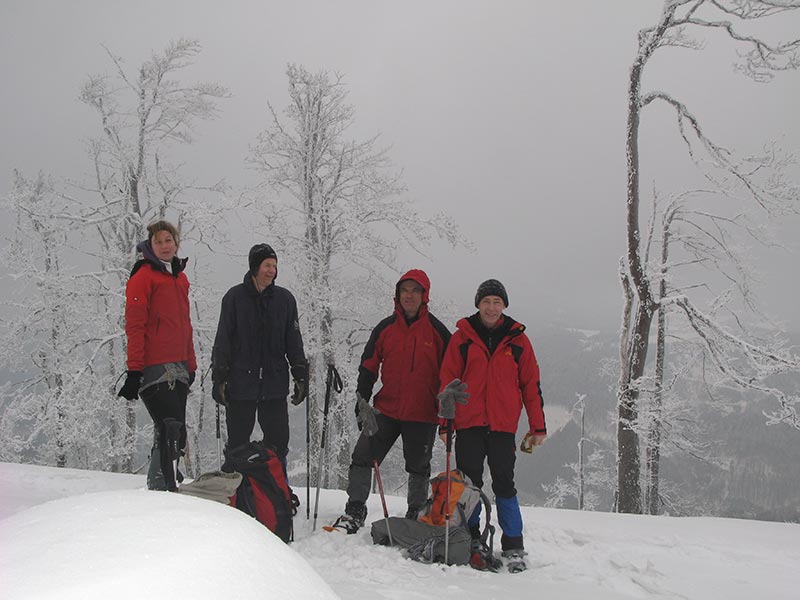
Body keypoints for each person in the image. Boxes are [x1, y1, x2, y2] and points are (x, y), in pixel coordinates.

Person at [329, 269, 451, 534]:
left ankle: (415, 514)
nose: (409, 295)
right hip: (386, 409)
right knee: (362, 457)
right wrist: (362, 401)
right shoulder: (385, 329)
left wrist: (446, 414)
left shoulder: (439, 333)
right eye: (404, 290)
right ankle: (355, 511)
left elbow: (451, 376)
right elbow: (368, 367)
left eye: (415, 290)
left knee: (418, 467)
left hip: (422, 414)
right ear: (397, 295)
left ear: (424, 296)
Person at [438, 279, 547, 573]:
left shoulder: (518, 340)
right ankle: (472, 538)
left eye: (496, 302)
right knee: (469, 485)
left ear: (504, 306)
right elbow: (447, 384)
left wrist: (538, 426)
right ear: (478, 304)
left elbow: (530, 384)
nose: (491, 307)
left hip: (501, 427)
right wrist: (444, 424)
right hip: (469, 424)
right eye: (486, 302)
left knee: (504, 485)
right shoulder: (462, 338)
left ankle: (513, 544)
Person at [117, 220, 197, 492]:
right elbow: (135, 326)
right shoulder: (143, 277)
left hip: (179, 366)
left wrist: (191, 364)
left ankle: (160, 482)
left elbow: (186, 325)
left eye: (168, 240)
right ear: (150, 246)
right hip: (154, 367)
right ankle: (165, 488)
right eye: (158, 241)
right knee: (171, 428)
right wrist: (134, 370)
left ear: (176, 243)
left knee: (174, 431)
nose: (164, 246)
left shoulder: (180, 277)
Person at [211, 243, 307, 465]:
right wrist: (220, 378)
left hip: (274, 384)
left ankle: (277, 492)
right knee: (237, 443)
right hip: (241, 384)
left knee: (278, 443)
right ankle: (237, 491)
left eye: (274, 265)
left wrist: (300, 374)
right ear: (254, 267)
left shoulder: (285, 300)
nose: (271, 270)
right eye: (267, 265)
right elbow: (223, 340)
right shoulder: (234, 298)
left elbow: (294, 341)